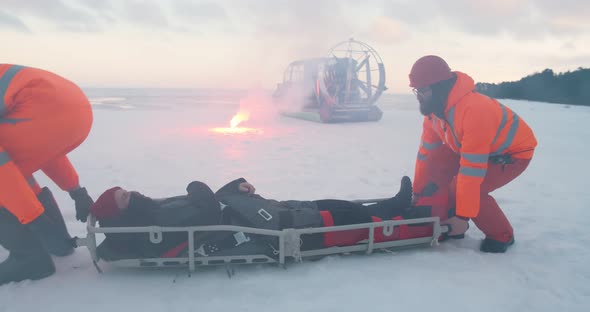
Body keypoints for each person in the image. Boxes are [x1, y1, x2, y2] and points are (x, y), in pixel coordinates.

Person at [88, 177, 432, 260]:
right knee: (351, 218)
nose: (131, 193)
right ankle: (409, 219)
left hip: (264, 211)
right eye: (124, 197)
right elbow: (208, 212)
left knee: (329, 202)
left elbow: (214, 201)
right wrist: (197, 185)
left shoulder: (155, 209)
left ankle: (396, 205)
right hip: (273, 229)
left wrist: (234, 185)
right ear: (123, 212)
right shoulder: (154, 227)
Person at [408, 55, 537, 253]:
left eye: (423, 90)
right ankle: (443, 220)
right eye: (416, 90)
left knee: (467, 188)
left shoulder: (474, 110)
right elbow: (426, 155)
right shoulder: (434, 114)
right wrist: (417, 193)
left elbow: (471, 170)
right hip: (473, 149)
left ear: (439, 87)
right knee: (436, 162)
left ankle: (501, 235)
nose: (419, 96)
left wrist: (462, 216)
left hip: (511, 154)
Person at [0, 64, 95, 285]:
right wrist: (76, 190)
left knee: (7, 177)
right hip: (78, 109)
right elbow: (41, 146)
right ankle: (57, 243)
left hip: (42, 110)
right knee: (14, 168)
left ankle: (28, 259)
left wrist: (33, 218)